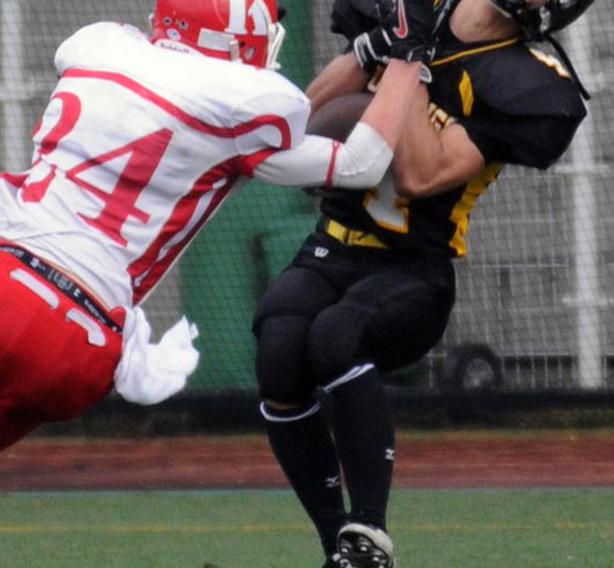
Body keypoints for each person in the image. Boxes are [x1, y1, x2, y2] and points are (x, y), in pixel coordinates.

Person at [0, 0, 435, 566]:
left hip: (2, 291)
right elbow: (361, 162)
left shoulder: (100, 50)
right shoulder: (237, 116)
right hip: (85, 351)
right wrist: (406, 58)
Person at [252, 0, 592, 566]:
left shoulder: (527, 84)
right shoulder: (413, 7)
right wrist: (368, 53)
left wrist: (407, 56)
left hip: (413, 268)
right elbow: (311, 112)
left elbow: (420, 175)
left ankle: (370, 532)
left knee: (336, 336)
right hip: (333, 242)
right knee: (279, 348)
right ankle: (339, 541)